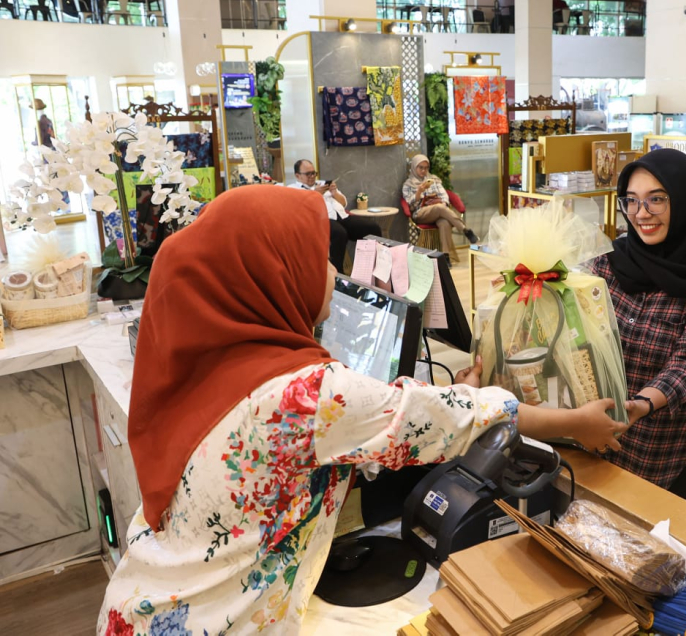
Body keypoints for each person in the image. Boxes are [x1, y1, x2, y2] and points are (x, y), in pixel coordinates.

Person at [97, 185, 632, 634]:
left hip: (146, 601)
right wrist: (574, 424)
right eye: (318, 257)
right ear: (271, 270)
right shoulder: (301, 396)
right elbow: (448, 417)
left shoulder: (215, 360)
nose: (334, 273)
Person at [588, 148, 686, 501]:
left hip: (661, 452)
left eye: (656, 200)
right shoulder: (607, 265)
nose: (641, 214)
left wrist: (641, 405)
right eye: (631, 201)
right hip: (590, 440)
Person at [292, 158, 381, 271]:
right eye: (308, 174)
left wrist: (334, 193)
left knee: (372, 228)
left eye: (313, 173)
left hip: (342, 216)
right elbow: (297, 208)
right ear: (297, 175)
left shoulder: (322, 184)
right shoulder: (293, 189)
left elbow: (343, 203)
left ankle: (368, 269)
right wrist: (314, 194)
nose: (312, 176)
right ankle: (337, 274)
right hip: (320, 221)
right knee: (339, 233)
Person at [402, 154, 478, 261]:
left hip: (438, 212)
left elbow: (445, 197)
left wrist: (441, 202)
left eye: (426, 168)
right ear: (414, 167)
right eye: (421, 168)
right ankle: (465, 229)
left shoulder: (433, 180)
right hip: (420, 214)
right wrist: (419, 192)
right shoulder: (408, 184)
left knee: (444, 222)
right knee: (438, 208)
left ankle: (445, 257)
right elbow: (409, 204)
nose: (423, 171)